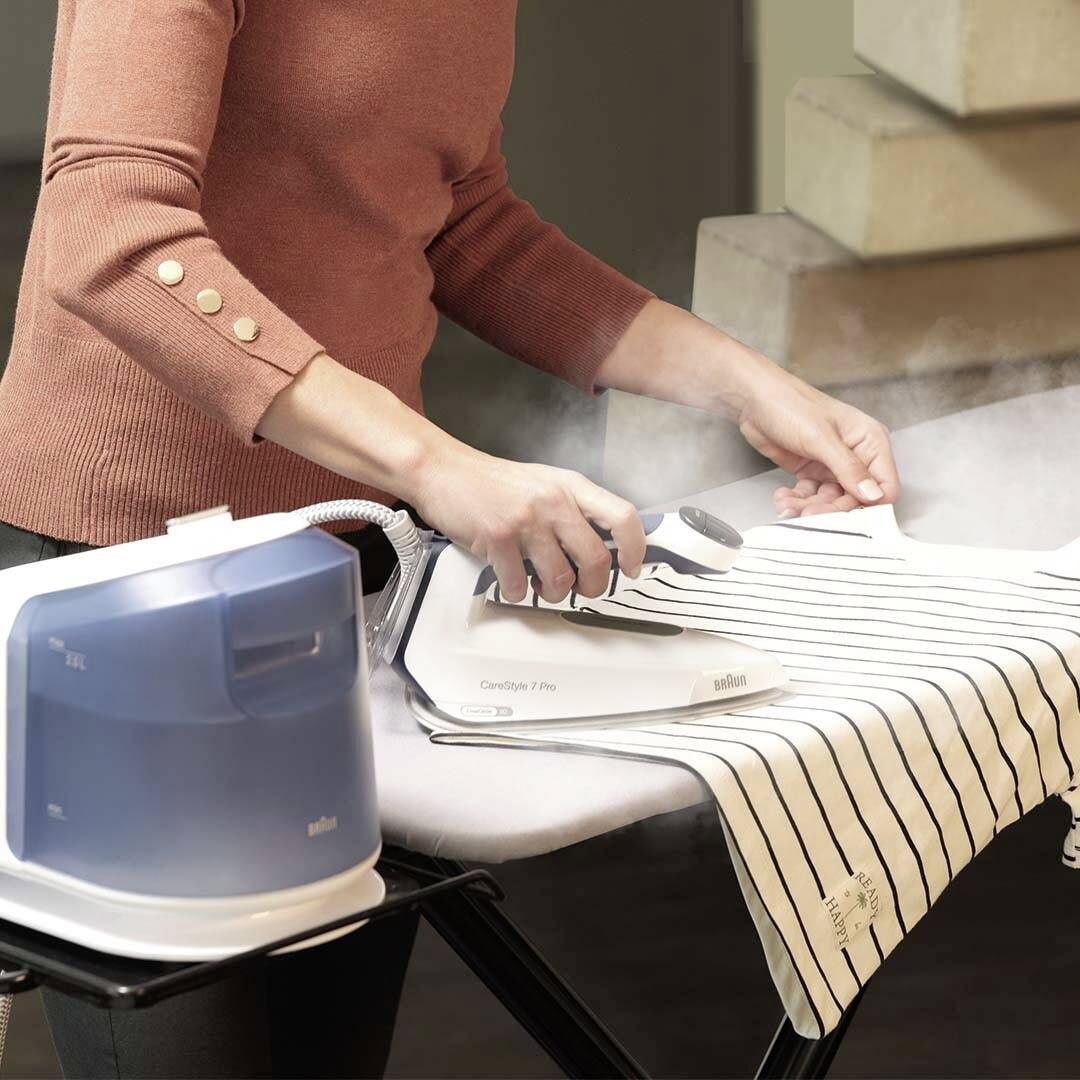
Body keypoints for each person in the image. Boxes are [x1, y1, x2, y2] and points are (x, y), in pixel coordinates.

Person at [0, 2, 900, 1075]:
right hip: (128, 582)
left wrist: (746, 383)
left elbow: (466, 223)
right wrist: (439, 466)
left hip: (350, 562)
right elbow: (111, 223)